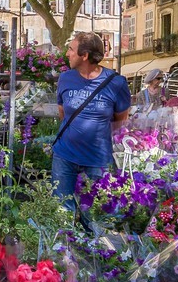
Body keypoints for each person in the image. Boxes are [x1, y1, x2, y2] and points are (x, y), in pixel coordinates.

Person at [53, 32, 131, 211]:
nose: (67, 54)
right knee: (61, 212)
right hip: (64, 156)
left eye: (71, 49)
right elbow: (63, 113)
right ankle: (63, 240)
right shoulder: (65, 79)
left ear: (85, 55)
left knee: (94, 215)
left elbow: (120, 123)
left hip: (98, 161)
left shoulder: (116, 83)